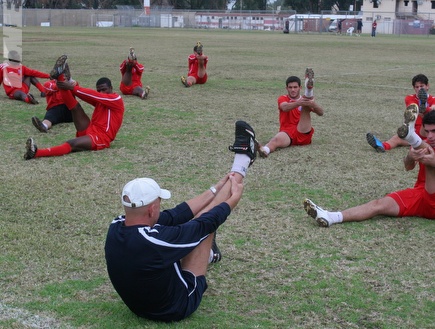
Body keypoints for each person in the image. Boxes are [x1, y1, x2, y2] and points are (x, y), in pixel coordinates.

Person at [104, 120, 258, 322]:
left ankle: (210, 254)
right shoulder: (153, 242)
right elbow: (204, 223)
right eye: (159, 202)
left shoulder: (117, 226)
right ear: (151, 209)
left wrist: (215, 189)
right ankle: (242, 162)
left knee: (189, 228)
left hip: (140, 305)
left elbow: (174, 215)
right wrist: (232, 200)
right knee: (205, 229)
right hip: (174, 307)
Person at [304, 108, 435, 227]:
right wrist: (410, 157)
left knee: (430, 158)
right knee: (378, 205)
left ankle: (411, 136)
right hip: (421, 195)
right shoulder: (425, 145)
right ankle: (331, 217)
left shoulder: (425, 146)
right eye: (427, 131)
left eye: (434, 131)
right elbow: (408, 167)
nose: (430, 136)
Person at [24, 55, 124, 160]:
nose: (101, 92)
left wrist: (71, 87)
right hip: (90, 129)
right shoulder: (102, 99)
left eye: (104, 89)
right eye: (99, 90)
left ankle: (36, 152)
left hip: (102, 137)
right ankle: (60, 76)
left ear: (111, 88)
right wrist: (67, 85)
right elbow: (88, 96)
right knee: (76, 108)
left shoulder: (116, 99)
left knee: (71, 144)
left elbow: (94, 95)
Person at [257, 69, 324, 158]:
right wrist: (299, 102)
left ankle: (309, 91)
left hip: (303, 131)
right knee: (275, 140)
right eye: (290, 87)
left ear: (300, 88)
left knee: (306, 105)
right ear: (286, 88)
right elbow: (284, 107)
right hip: (287, 133)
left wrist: (313, 104)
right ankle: (265, 150)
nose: (293, 90)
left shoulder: (305, 101)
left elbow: (321, 113)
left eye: (295, 87)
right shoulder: (283, 98)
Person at [366, 74, 435, 152]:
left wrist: (428, 109)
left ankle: (424, 108)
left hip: (426, 130)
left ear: (427, 86)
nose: (419, 89)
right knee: (397, 138)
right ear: (414, 88)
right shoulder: (409, 98)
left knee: (428, 117)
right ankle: (381, 146)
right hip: (414, 130)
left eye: (421, 86)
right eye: (417, 87)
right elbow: (413, 108)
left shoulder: (433, 99)